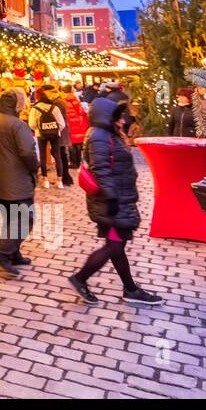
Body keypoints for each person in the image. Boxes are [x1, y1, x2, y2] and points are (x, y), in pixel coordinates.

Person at [68, 97, 163, 305]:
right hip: (111, 202)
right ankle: (80, 278)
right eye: (118, 118)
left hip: (117, 198)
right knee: (113, 245)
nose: (122, 121)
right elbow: (100, 170)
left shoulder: (107, 134)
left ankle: (130, 289)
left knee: (116, 245)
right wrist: (111, 197)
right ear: (106, 117)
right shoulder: (99, 136)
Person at [0, 93, 39, 275]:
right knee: (24, 218)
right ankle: (1, 252)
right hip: (17, 178)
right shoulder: (17, 125)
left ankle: (13, 252)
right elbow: (27, 152)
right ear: (15, 105)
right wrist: (35, 167)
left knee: (10, 217)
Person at [29, 85, 68, 188]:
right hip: (55, 134)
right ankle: (60, 181)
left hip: (40, 134)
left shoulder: (35, 108)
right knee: (57, 155)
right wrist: (55, 129)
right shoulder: (54, 107)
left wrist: (39, 128)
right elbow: (62, 124)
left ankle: (45, 180)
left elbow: (31, 124)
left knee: (42, 156)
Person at [63, 85, 89, 174]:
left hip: (68, 124)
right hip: (77, 123)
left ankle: (73, 162)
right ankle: (77, 162)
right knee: (77, 143)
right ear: (70, 90)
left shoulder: (62, 100)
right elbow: (81, 111)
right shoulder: (73, 99)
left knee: (71, 143)